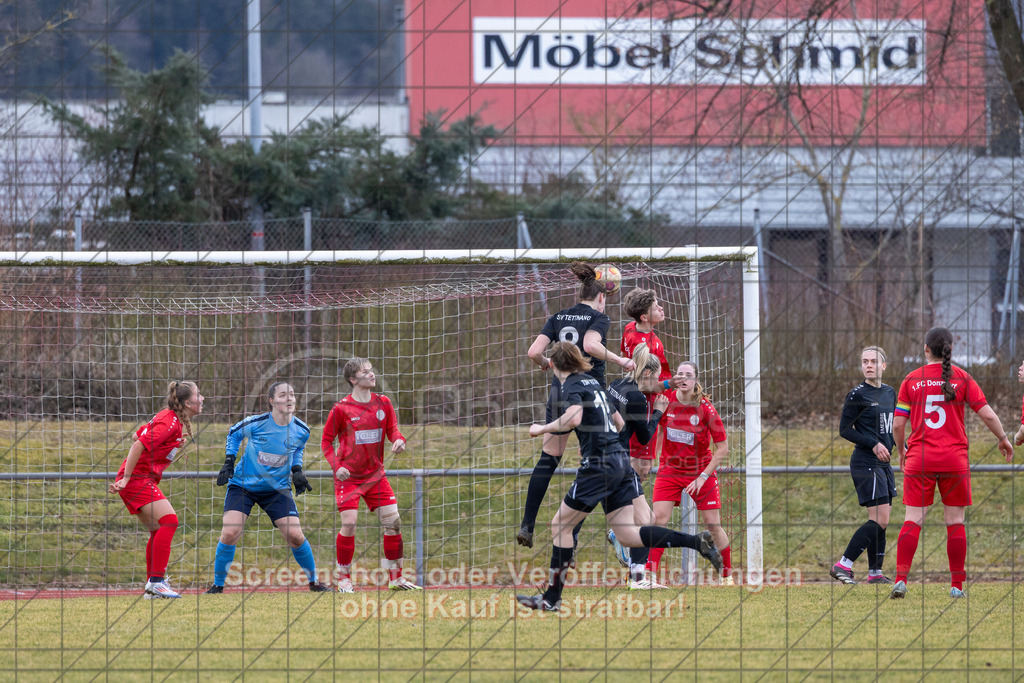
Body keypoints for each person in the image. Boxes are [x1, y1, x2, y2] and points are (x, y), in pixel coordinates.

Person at [515, 342, 722, 612]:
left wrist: (541, 428)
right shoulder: (591, 381)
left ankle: (552, 598)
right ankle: (697, 542)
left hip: (599, 466)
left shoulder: (571, 386)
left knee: (560, 526)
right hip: (620, 461)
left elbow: (574, 417)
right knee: (627, 535)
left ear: (554, 365)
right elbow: (619, 422)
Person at [517, 261, 636, 550]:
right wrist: (620, 360)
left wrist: (546, 363)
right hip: (590, 396)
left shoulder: (558, 316)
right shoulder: (599, 317)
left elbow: (533, 351)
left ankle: (527, 525)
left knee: (549, 458)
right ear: (601, 296)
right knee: (600, 460)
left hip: (560, 393)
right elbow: (592, 345)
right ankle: (574, 530)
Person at [890, 327, 1014, 599]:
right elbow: (988, 415)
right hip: (954, 459)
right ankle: (956, 586)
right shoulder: (963, 378)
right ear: (950, 350)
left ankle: (900, 580)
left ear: (926, 350)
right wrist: (1003, 438)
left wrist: (901, 451)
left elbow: (898, 424)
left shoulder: (911, 379)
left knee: (913, 520)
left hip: (920, 459)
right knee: (955, 521)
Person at [205, 382, 332, 594]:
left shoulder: (302, 430)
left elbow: (297, 449)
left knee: (295, 535)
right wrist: (229, 461)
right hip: (243, 486)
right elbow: (234, 433)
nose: (289, 398)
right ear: (272, 401)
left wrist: (297, 469)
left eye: (292, 394)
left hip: (277, 489)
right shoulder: (257, 423)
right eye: (283, 395)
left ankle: (315, 582)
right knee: (230, 531)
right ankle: (217, 586)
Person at [322, 357, 421, 592]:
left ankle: (396, 579)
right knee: (350, 524)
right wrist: (338, 467)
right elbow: (326, 442)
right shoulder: (341, 409)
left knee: (393, 523)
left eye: (371, 370)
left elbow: (393, 431)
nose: (372, 374)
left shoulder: (383, 403)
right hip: (349, 477)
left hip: (376, 476)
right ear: (353, 379)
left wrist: (399, 440)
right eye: (365, 372)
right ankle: (344, 579)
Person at [109, 381, 203, 599]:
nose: (203, 399)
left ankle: (153, 586)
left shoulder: (170, 419)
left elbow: (137, 436)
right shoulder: (169, 423)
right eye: (199, 395)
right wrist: (126, 478)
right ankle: (157, 582)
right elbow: (137, 445)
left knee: (157, 529)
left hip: (141, 479)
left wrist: (168, 444)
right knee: (170, 521)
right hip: (137, 480)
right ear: (188, 402)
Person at [646, 361, 733, 584]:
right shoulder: (666, 400)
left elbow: (722, 448)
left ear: (695, 381)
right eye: (680, 374)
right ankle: (648, 574)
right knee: (658, 520)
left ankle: (727, 575)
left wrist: (703, 476)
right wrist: (652, 457)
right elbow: (659, 429)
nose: (683, 378)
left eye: (688, 375)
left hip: (700, 471)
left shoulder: (705, 408)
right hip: (670, 470)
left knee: (712, 524)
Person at [605, 343, 670, 589]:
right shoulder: (637, 398)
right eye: (655, 377)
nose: (656, 382)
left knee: (574, 513)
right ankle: (637, 578)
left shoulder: (615, 385)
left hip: (598, 457)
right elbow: (644, 437)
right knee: (647, 519)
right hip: (619, 462)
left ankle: (556, 575)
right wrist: (658, 413)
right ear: (646, 374)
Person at [830, 346, 897, 586]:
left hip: (884, 464)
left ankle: (875, 573)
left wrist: (902, 444)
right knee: (879, 518)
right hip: (865, 462)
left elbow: (892, 427)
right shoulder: (857, 394)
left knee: (883, 519)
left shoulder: (890, 393)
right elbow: (844, 430)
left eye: (873, 361)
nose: (868, 365)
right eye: (864, 361)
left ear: (883, 366)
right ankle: (843, 565)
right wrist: (873, 444)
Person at [619, 287, 676, 469]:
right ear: (643, 317)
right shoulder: (647, 346)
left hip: (656, 397)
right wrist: (669, 383)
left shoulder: (629, 328)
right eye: (656, 306)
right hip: (649, 404)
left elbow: (624, 357)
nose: (661, 308)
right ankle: (628, 496)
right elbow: (642, 385)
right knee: (641, 466)